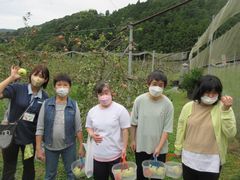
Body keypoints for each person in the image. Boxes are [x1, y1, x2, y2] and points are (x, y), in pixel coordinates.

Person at [174, 75, 237, 180]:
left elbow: (231, 134)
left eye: (214, 93)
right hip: (189, 157)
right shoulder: (188, 107)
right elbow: (181, 129)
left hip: (211, 160)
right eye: (208, 92)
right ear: (200, 91)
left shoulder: (223, 108)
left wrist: (226, 112)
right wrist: (178, 148)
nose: (211, 96)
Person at [0, 65, 50, 180]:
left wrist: (41, 145)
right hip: (9, 135)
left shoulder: (45, 98)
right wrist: (11, 78)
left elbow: (42, 122)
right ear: (30, 75)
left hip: (29, 140)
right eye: (35, 75)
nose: (37, 78)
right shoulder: (18, 88)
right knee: (9, 166)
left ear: (45, 80)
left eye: (41, 76)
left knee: (28, 166)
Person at [35, 73, 84, 180]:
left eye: (65, 85)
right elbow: (40, 127)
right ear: (54, 87)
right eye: (59, 85)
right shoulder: (46, 104)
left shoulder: (73, 105)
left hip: (69, 145)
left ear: (70, 87)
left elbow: (78, 127)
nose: (62, 87)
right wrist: (38, 148)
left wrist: (81, 146)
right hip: (50, 146)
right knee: (50, 174)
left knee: (72, 173)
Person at [130, 70, 174, 180]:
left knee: (156, 176)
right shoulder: (139, 100)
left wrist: (159, 147)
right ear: (148, 84)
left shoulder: (168, 104)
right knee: (141, 175)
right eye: (154, 84)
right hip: (141, 145)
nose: (157, 87)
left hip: (159, 148)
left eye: (161, 85)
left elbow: (166, 129)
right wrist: (133, 140)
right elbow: (133, 123)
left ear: (164, 87)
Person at [85, 81, 130, 180]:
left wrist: (124, 148)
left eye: (106, 93)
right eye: (101, 94)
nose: (104, 96)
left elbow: (125, 130)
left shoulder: (120, 110)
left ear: (111, 93)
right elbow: (88, 126)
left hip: (116, 156)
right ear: (97, 95)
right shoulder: (92, 111)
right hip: (98, 157)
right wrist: (92, 134)